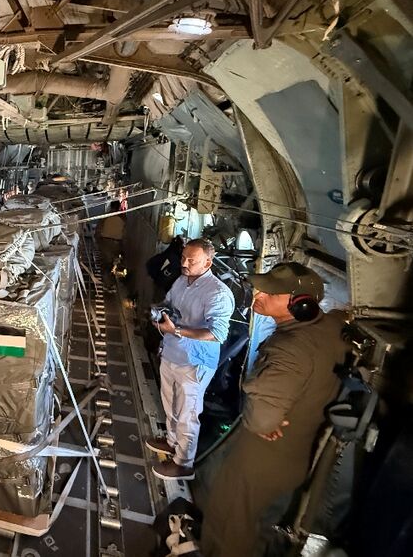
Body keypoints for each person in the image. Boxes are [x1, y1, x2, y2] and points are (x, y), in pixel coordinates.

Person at [200, 263, 348, 557]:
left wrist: (262, 421)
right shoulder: (330, 329)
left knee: (228, 522)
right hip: (294, 453)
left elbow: (262, 421)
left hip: (262, 458)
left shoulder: (290, 349)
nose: (258, 293)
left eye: (269, 291)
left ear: (300, 304)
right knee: (249, 522)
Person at [145, 238, 234, 480]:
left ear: (208, 261)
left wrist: (177, 331)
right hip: (173, 352)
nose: (184, 263)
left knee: (187, 413)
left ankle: (184, 463)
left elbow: (217, 333)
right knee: (170, 403)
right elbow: (170, 304)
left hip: (194, 362)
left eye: (191, 260)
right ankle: (172, 442)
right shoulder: (182, 281)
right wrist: (159, 312)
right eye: (183, 258)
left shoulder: (217, 293)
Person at [96, 199, 125, 267]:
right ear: (119, 207)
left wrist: (98, 241)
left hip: (105, 242)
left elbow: (98, 229)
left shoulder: (105, 216)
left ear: (111, 206)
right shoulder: (123, 217)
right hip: (117, 244)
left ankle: (106, 275)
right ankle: (113, 275)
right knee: (115, 263)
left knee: (106, 263)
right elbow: (125, 232)